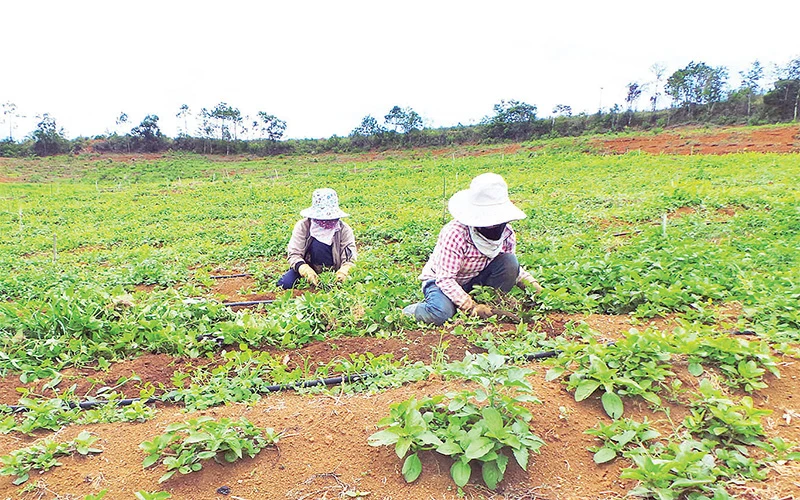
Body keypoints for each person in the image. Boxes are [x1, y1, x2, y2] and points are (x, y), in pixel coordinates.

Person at [402, 172, 542, 325]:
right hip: (440, 282)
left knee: (509, 260)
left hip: (475, 280)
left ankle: (491, 305)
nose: (493, 226)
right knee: (441, 314)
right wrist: (471, 307)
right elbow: (445, 279)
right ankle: (411, 311)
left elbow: (510, 266)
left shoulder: (507, 233)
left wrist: (532, 286)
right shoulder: (455, 234)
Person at [277, 188, 357, 289]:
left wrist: (344, 271)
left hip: (334, 269)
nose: (326, 222)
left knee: (350, 285)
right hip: (309, 265)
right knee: (286, 283)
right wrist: (304, 269)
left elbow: (350, 258)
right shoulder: (303, 226)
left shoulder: (344, 229)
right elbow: (294, 254)